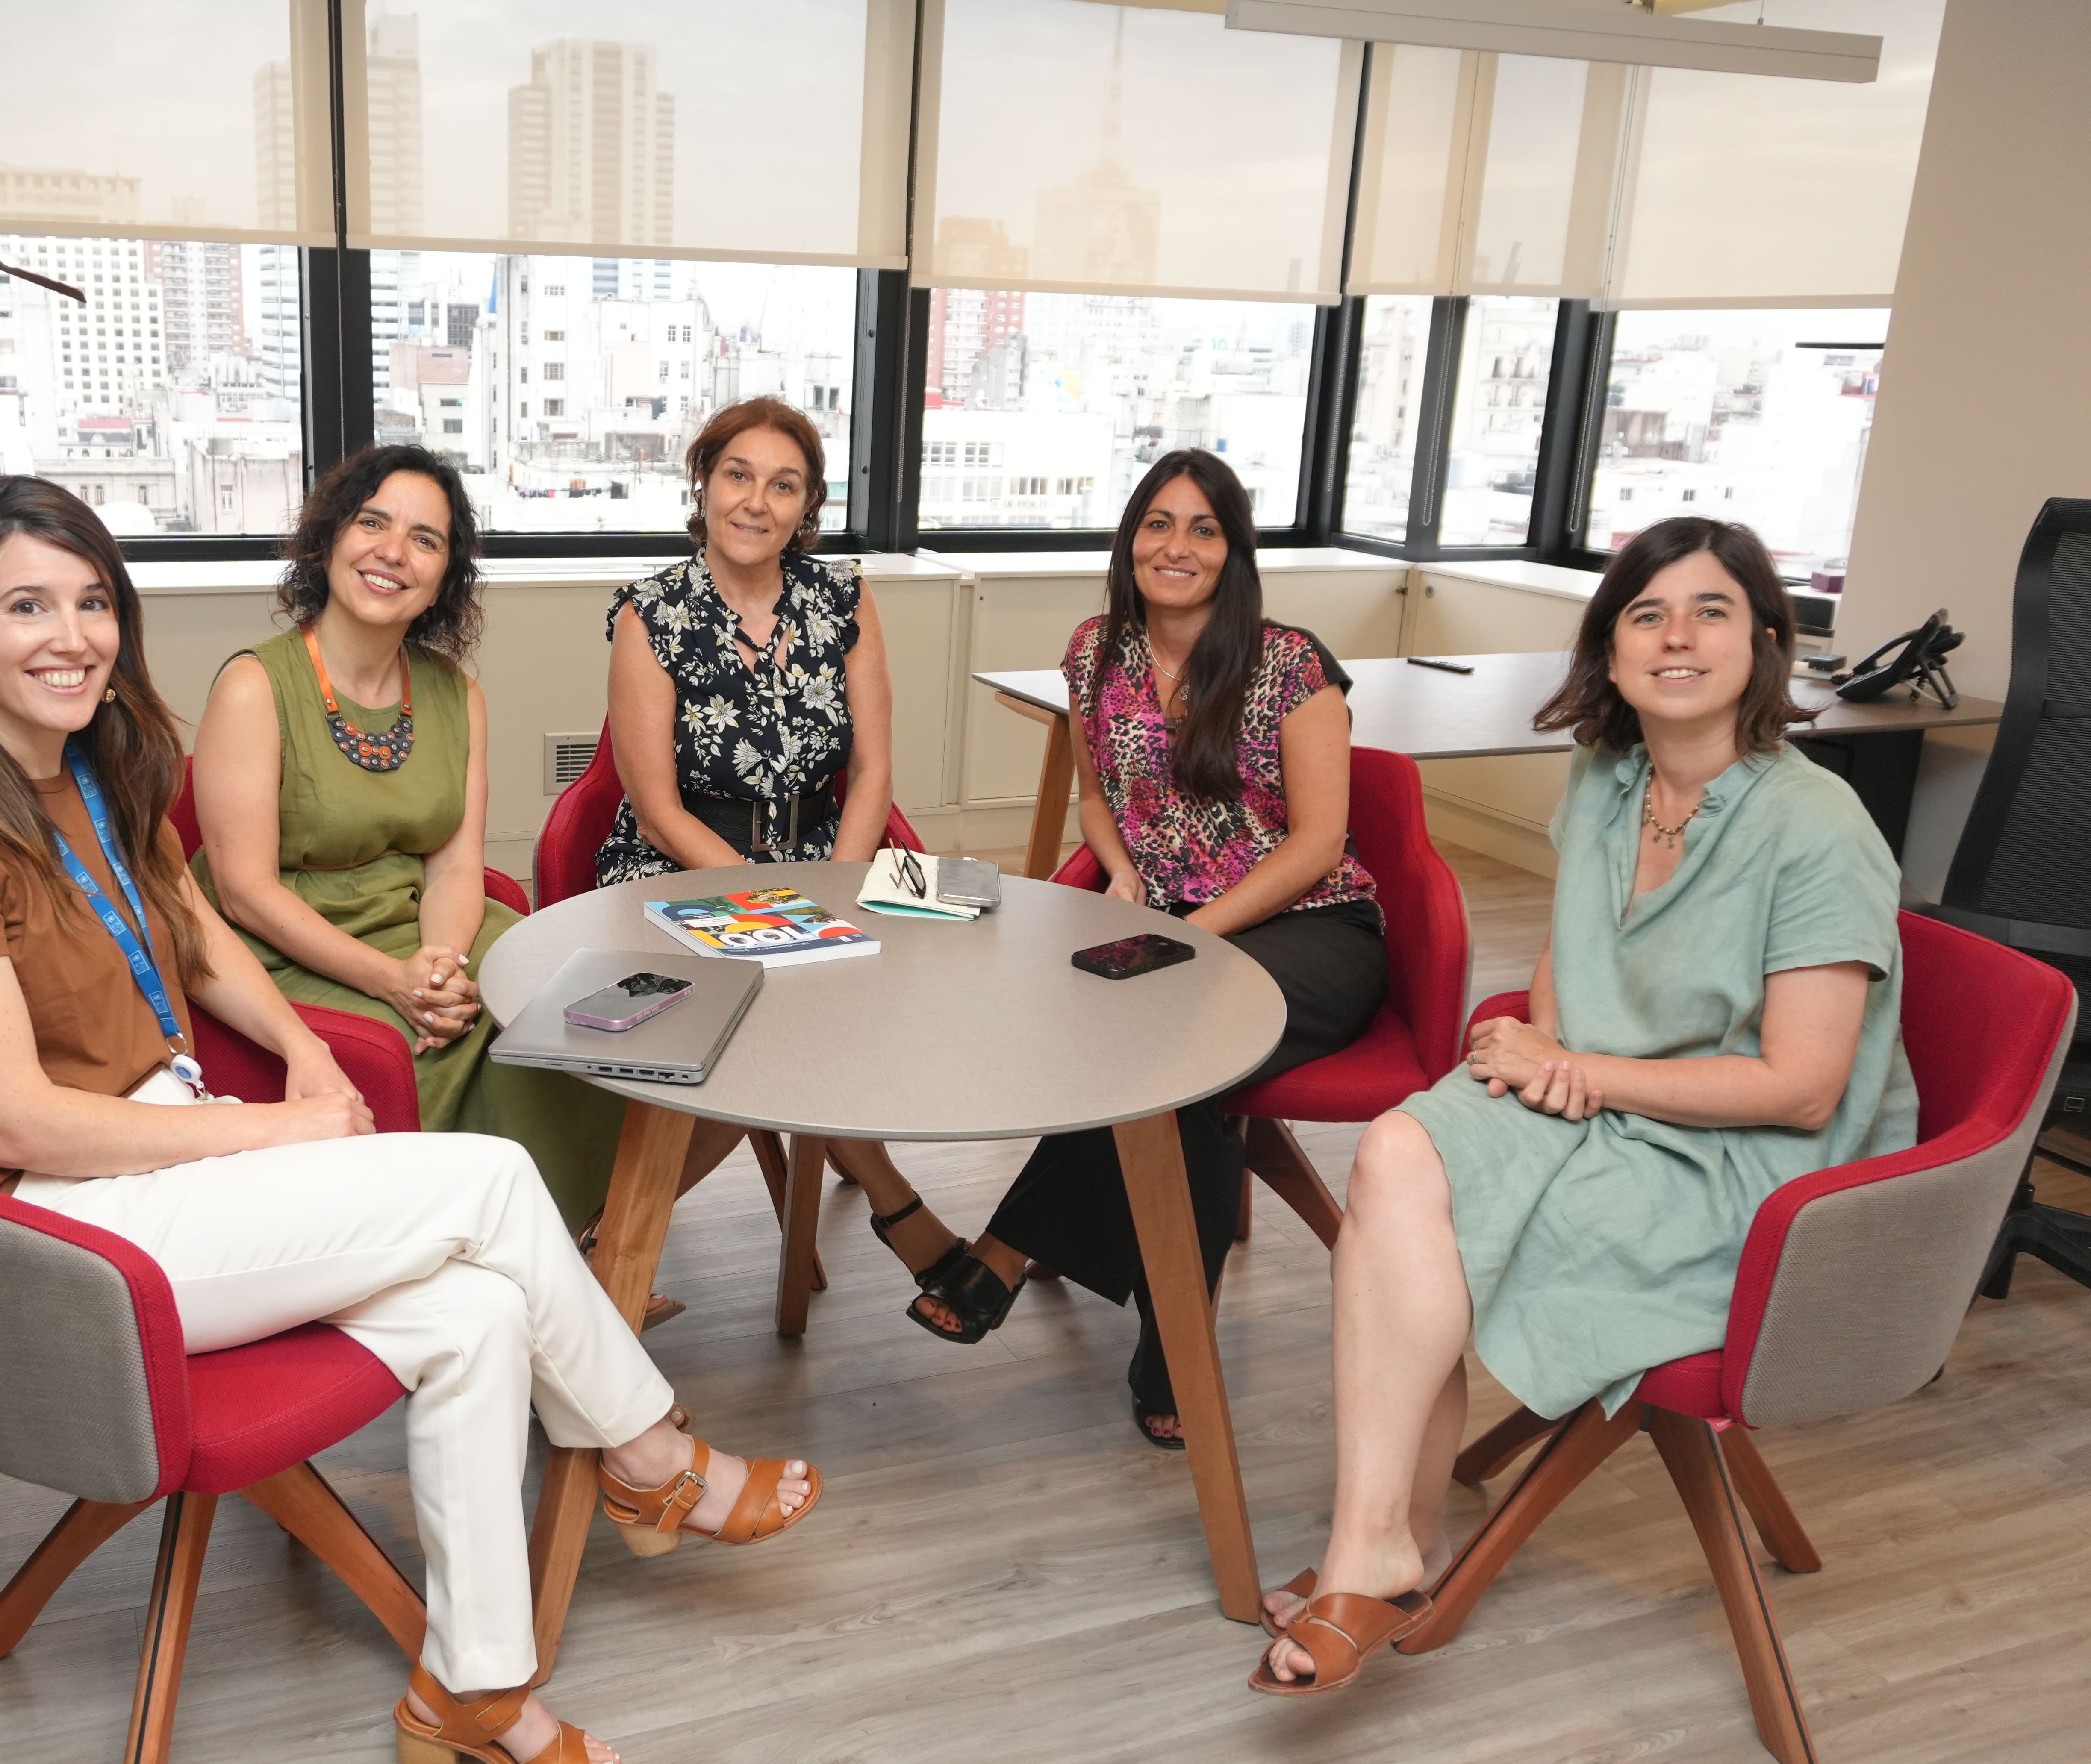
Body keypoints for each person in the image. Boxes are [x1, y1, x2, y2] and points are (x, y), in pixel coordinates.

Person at [0, 477, 819, 1764]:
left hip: (164, 1156)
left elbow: (202, 940)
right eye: (26, 607)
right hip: (71, 1238)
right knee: (493, 1185)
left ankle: (474, 1693)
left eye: (92, 602)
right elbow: (20, 1126)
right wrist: (271, 1133)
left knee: (482, 1312)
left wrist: (299, 1061)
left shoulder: (92, 769)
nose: (72, 636)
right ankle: (651, 1454)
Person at [1253, 516, 1917, 1697]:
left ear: (1764, 642)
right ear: (1609, 651)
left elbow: (1804, 1088)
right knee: (1401, 1152)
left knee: (1431, 1228)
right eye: (1645, 614)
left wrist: (1583, 1076)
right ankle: (1386, 1537)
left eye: (1711, 611)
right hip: (1608, 1100)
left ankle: (1382, 1547)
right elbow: (1574, 952)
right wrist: (1546, 1041)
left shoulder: (1819, 829)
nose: (1676, 637)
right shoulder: (1611, 774)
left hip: (1751, 1168)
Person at [891, 451, 1387, 1456]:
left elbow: (1317, 845)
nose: (1177, 546)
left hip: (1310, 927)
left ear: (1235, 549)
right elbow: (1092, 796)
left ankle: (1012, 1249)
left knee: (1185, 1044)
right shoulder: (1095, 651)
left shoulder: (1291, 664)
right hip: (1167, 928)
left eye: (1204, 528)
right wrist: (1120, 875)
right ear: (1129, 541)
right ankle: (1171, 1340)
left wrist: (1196, 936)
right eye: (1158, 524)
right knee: (1164, 1062)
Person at [191, 444, 628, 1238]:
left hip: (424, 924)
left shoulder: (456, 692)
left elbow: (457, 861)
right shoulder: (255, 686)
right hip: (286, 942)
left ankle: (574, 1237)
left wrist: (440, 963)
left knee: (565, 1008)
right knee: (456, 1042)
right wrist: (394, 981)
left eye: (426, 539)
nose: (394, 552)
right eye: (374, 523)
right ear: (329, 541)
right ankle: (458, 1245)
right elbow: (242, 892)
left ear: (444, 576)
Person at [597, 396, 949, 1260]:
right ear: (704, 484)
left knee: (960, 954)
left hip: (830, 857)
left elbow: (871, 771)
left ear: (808, 505)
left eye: (783, 485)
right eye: (738, 476)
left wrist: (831, 893)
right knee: (747, 1029)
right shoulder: (652, 613)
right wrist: (777, 910)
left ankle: (605, 1248)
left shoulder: (844, 598)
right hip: (682, 869)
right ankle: (612, 1244)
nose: (757, 502)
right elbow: (658, 809)